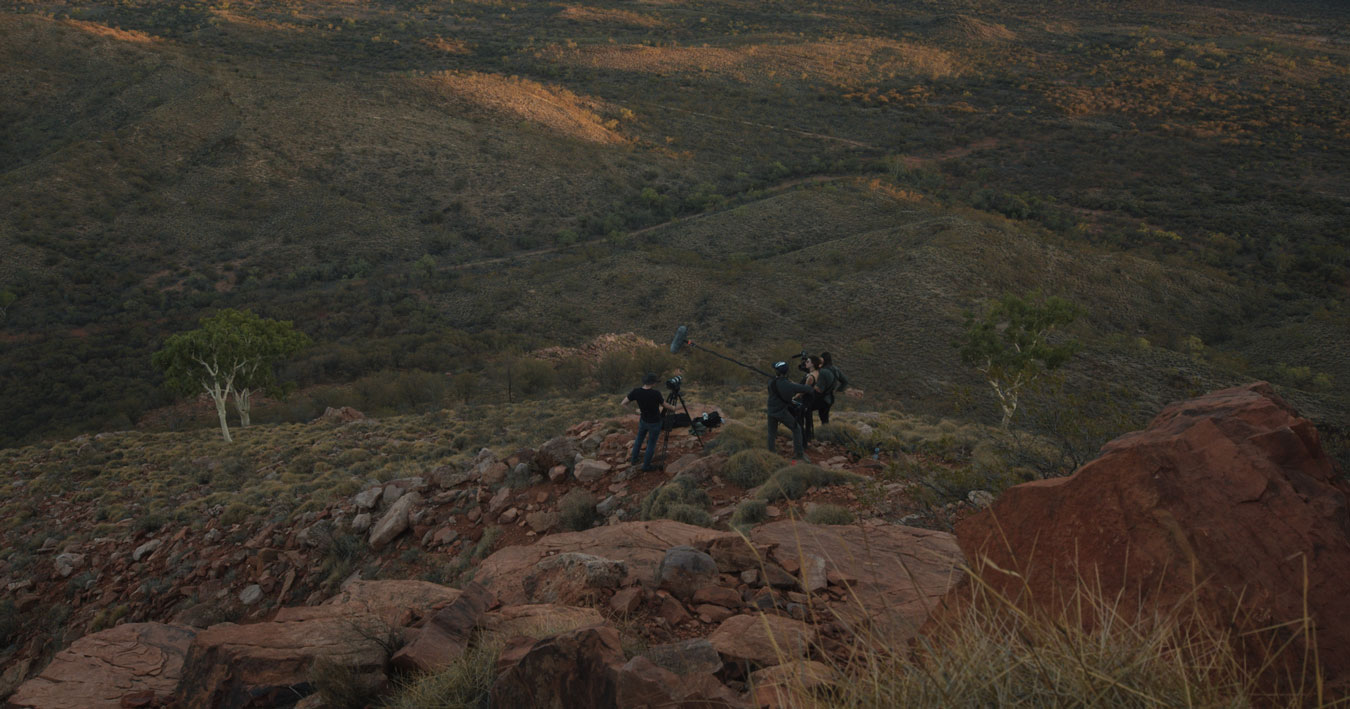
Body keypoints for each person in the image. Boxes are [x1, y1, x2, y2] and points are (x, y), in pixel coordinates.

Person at [621, 373, 672, 471]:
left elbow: (623, 403)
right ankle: (646, 466)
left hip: (643, 420)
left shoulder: (636, 391)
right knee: (651, 444)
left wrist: (635, 411)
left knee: (639, 440)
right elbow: (666, 406)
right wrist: (677, 407)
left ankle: (633, 460)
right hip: (655, 422)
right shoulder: (656, 393)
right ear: (652, 383)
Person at [767, 361, 812, 461]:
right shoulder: (789, 385)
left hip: (771, 410)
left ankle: (771, 453)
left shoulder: (771, 382)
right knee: (797, 429)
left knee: (771, 433)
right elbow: (806, 389)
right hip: (781, 412)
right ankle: (799, 454)